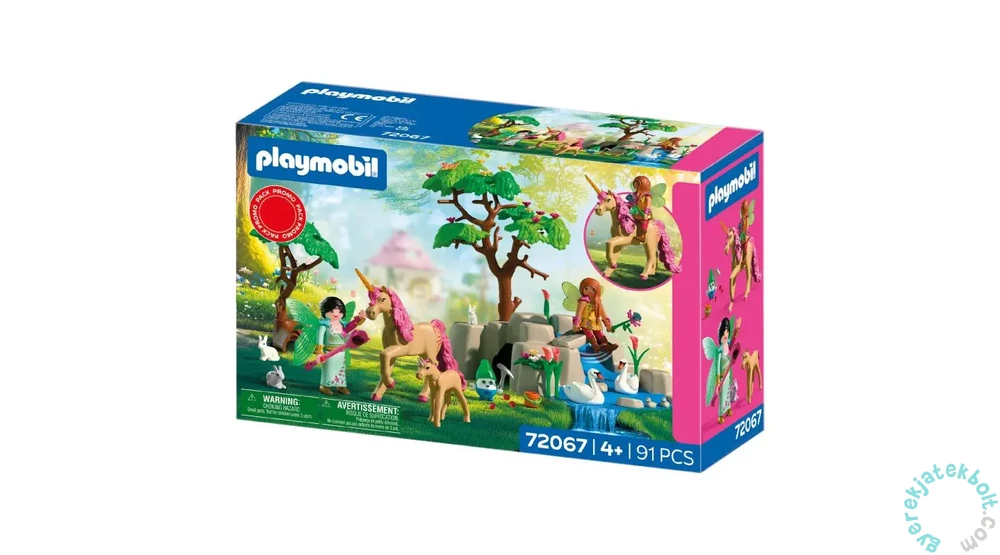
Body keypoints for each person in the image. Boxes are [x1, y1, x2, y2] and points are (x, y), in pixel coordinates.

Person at [314, 296, 365, 395]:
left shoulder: (342, 325)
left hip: (341, 353)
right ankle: (324, 386)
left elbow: (350, 327)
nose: (336, 314)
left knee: (341, 371)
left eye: (339, 311)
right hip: (329, 353)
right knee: (329, 370)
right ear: (325, 311)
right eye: (332, 311)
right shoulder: (324, 326)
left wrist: (359, 319)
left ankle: (341, 386)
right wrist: (319, 352)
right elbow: (319, 339)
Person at [571, 277, 618, 353]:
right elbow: (578, 313)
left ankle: (607, 345)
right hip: (586, 322)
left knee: (599, 333)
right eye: (586, 289)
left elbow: (603, 314)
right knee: (589, 332)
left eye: (592, 289)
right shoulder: (583, 301)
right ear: (582, 289)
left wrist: (608, 325)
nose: (589, 291)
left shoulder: (598, 302)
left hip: (595, 322)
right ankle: (595, 346)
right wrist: (576, 324)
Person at [629, 176, 654, 242]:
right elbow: (632, 202)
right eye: (634, 184)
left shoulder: (647, 196)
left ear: (643, 185)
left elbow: (648, 205)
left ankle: (643, 236)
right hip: (635, 212)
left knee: (643, 222)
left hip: (643, 213)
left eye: (637, 184)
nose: (635, 185)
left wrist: (646, 213)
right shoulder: (634, 195)